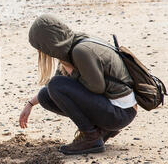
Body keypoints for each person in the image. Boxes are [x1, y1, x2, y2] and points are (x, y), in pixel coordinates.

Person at [19, 14, 137, 155]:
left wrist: (72, 72)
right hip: (113, 108)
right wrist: (30, 104)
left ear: (48, 43)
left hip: (121, 112)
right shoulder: (69, 47)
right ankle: (101, 131)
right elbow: (57, 88)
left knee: (55, 85)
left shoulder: (80, 51)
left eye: (40, 47)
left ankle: (91, 137)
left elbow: (97, 87)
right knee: (45, 95)